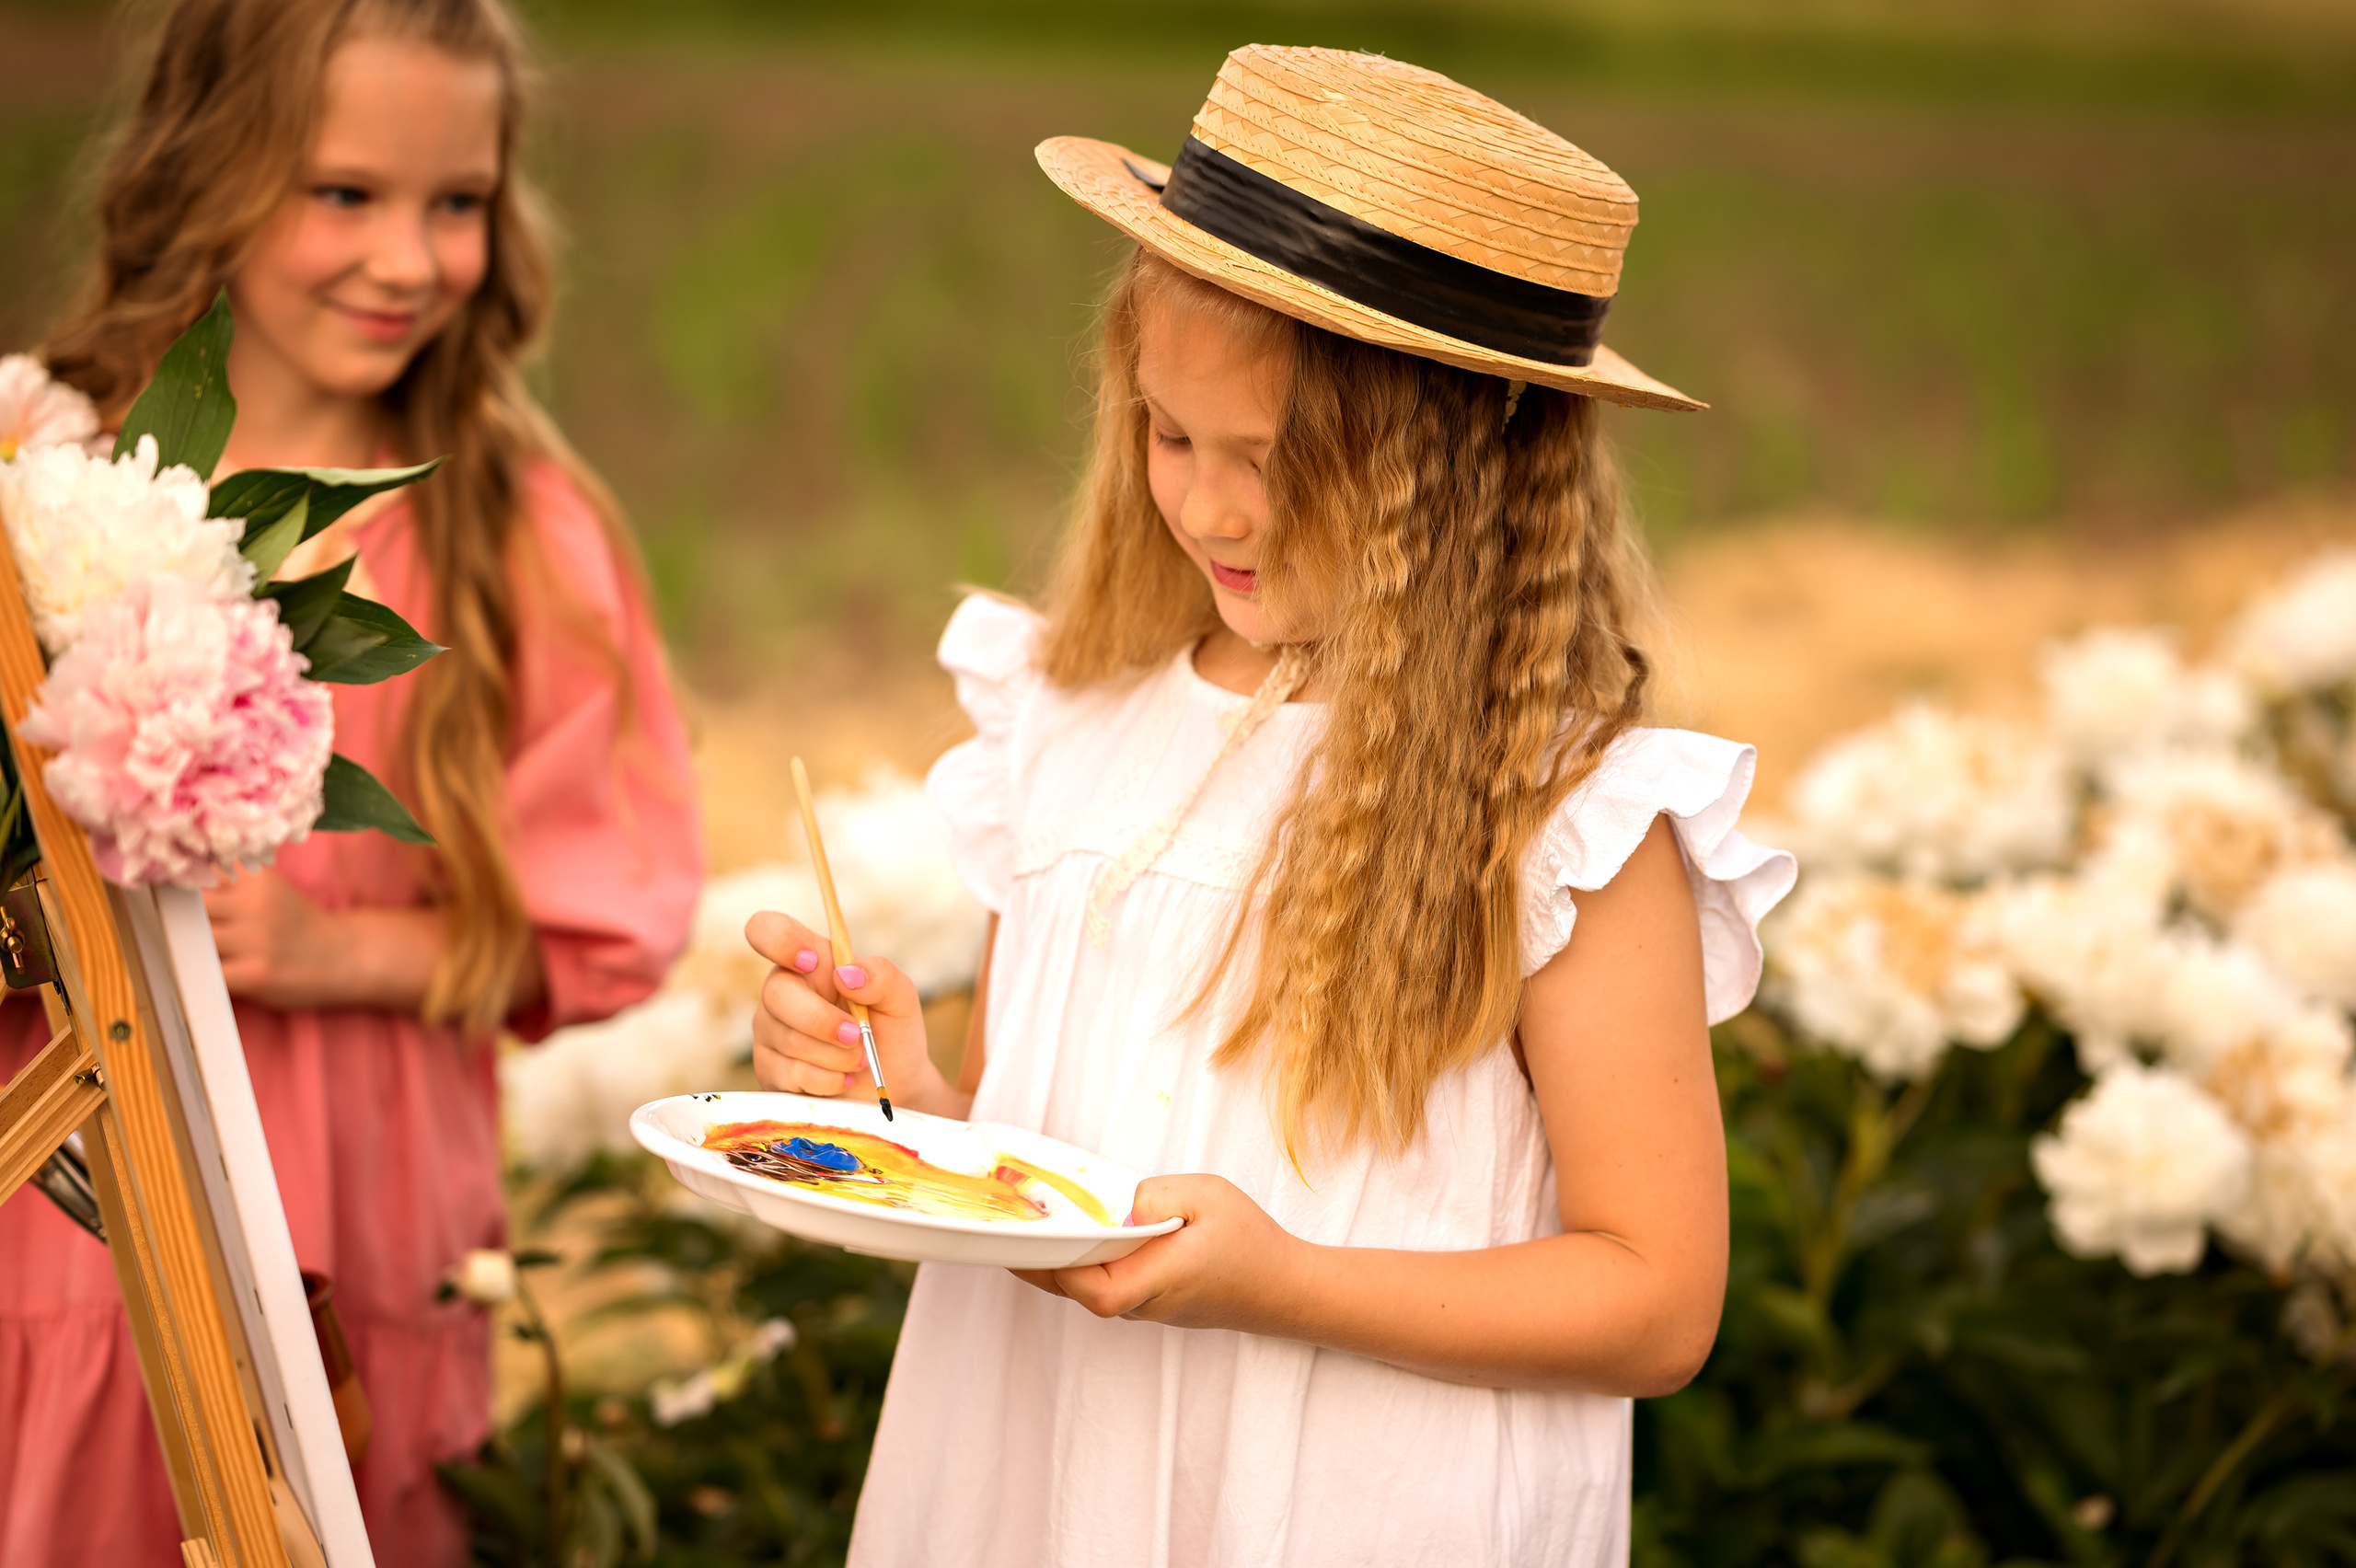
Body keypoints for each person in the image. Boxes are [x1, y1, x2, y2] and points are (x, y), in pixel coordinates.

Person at [746, 45, 1796, 1568]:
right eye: (1173, 435)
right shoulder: (1075, 716)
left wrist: (1282, 1279)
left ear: (1468, 467)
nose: (1214, 507)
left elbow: (1655, 1300)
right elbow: (1054, 1175)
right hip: (1038, 1488)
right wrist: (906, 1109)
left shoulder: (1566, 818)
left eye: (1281, 460)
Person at [0, 0, 703, 1562]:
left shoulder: (518, 537)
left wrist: (343, 952)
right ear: (209, 170)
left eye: (456, 203)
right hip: (64, 1208)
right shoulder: (39, 479)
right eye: (345, 194)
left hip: (359, 1223)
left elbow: (606, 918)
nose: (409, 258)